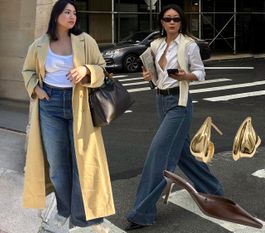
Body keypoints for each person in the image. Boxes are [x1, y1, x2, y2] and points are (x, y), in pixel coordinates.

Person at [125, 4, 224, 231]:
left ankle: (142, 212)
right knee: (182, 152)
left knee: (159, 154)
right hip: (161, 101)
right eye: (168, 19)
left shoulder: (188, 45)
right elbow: (153, 75)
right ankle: (213, 190)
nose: (172, 22)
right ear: (161, 21)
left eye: (176, 19)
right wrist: (147, 74)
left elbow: (201, 73)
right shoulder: (156, 45)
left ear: (181, 22)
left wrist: (185, 75)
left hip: (179, 104)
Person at [21, 0, 115, 232]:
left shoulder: (86, 41)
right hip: (50, 105)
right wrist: (36, 88)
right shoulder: (40, 44)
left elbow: (103, 69)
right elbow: (28, 70)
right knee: (57, 166)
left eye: (74, 13)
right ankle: (64, 209)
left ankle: (83, 217)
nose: (72, 16)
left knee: (82, 163)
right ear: (56, 16)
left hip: (80, 104)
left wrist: (86, 70)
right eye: (66, 12)